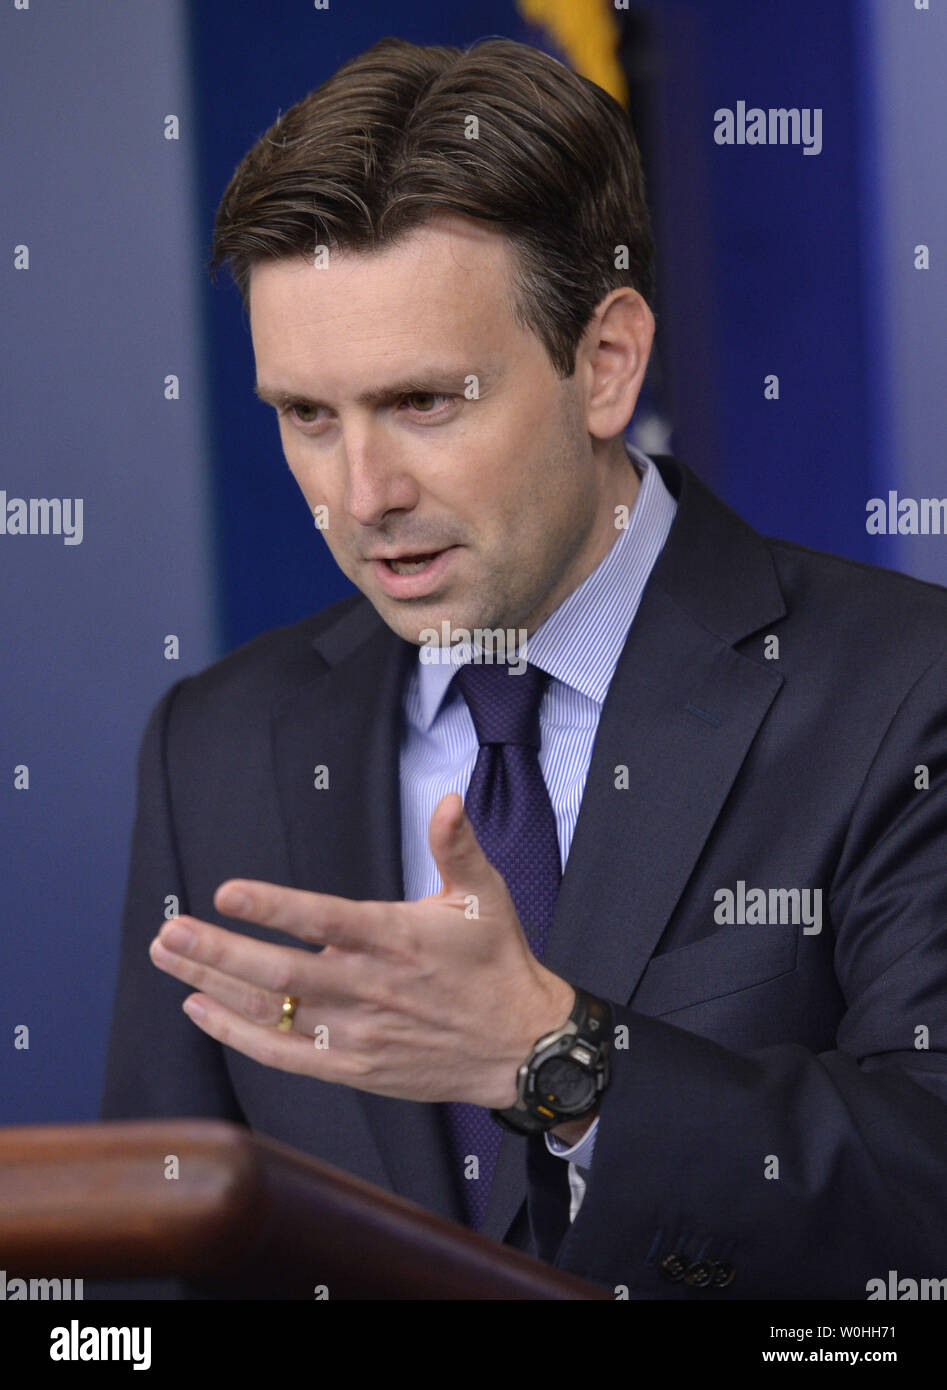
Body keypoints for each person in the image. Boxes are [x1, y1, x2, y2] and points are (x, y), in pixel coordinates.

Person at [102, 35, 947, 1299]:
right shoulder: (215, 742)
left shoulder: (902, 688)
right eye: (308, 417)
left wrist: (556, 1056)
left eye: (425, 402)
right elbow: (149, 1250)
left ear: (603, 363)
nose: (362, 495)